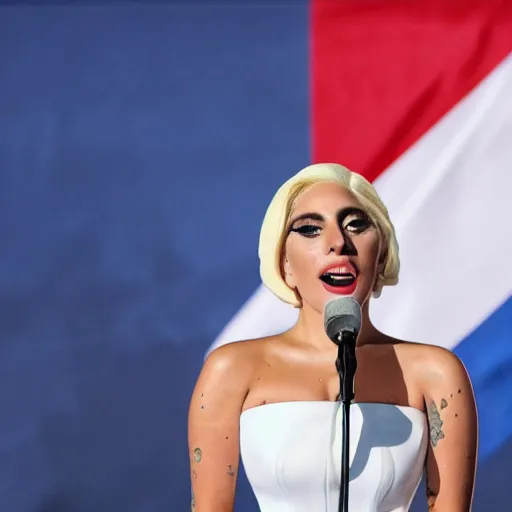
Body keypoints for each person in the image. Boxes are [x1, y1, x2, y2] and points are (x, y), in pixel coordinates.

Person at [188, 163, 478, 511]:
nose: (338, 242)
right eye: (310, 228)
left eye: (356, 224)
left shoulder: (436, 372)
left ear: (382, 252)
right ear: (285, 265)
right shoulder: (232, 369)